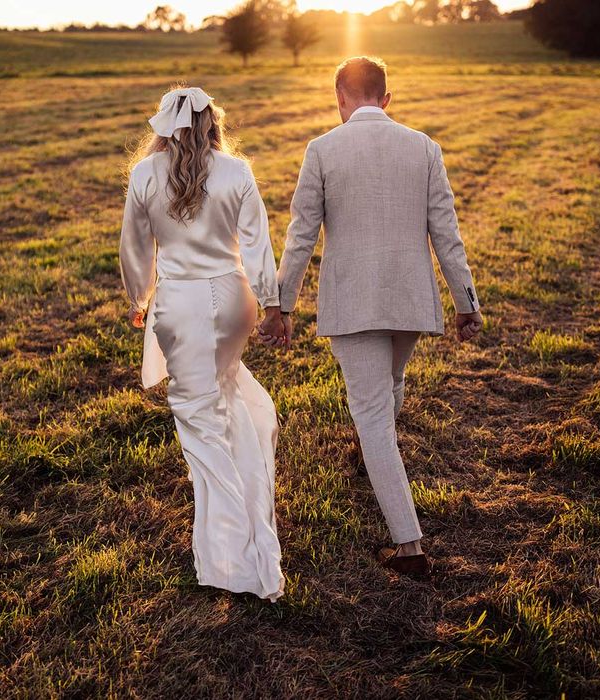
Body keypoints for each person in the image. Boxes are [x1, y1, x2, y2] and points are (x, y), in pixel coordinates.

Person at [262, 57, 483, 577]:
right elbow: (446, 232)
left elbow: (300, 236)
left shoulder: (321, 149)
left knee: (374, 417)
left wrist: (281, 304)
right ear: (386, 99)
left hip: (355, 302)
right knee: (391, 384)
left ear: (340, 97)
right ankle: (370, 455)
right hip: (411, 300)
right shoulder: (424, 147)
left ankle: (409, 546)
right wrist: (466, 302)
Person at [119, 86, 287, 602]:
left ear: (164, 127)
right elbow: (258, 246)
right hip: (236, 301)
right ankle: (246, 502)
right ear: (213, 122)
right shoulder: (237, 172)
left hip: (181, 306)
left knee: (199, 423)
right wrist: (272, 303)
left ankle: (240, 555)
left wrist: (138, 297)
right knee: (224, 397)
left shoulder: (145, 174)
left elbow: (134, 248)